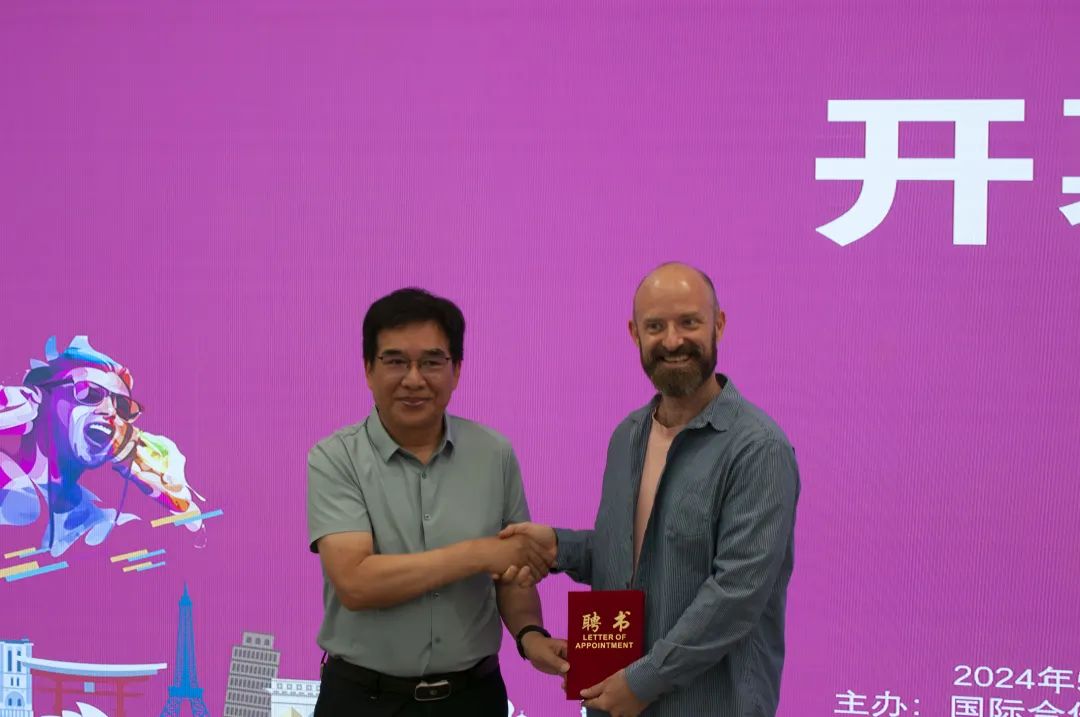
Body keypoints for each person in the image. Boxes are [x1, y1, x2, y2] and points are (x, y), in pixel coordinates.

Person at [501, 263, 801, 716]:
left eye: (689, 322)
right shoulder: (628, 436)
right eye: (656, 326)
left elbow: (736, 594)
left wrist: (641, 682)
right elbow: (637, 556)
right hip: (616, 701)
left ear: (719, 325)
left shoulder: (759, 449)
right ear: (634, 334)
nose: (673, 341)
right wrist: (558, 547)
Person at [307, 288, 568, 717]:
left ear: (456, 370)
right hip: (363, 700)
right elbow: (356, 582)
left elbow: (511, 572)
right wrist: (478, 553)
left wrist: (531, 636)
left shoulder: (494, 454)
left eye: (431, 362)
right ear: (368, 369)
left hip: (473, 698)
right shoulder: (335, 458)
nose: (414, 379)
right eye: (395, 361)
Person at [0, 335, 203, 555]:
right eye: (89, 392)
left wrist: (159, 482)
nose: (110, 411)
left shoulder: (105, 523)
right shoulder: (13, 487)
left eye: (122, 406)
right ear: (42, 396)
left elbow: (192, 529)